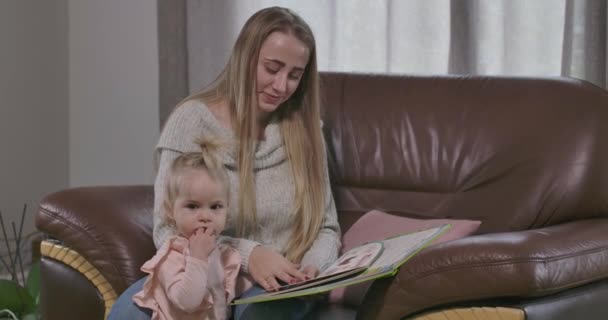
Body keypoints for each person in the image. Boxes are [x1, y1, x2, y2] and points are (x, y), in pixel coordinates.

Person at [109, 6, 340, 320]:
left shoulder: (307, 132)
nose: (281, 86)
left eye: (294, 75)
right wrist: (248, 255)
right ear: (245, 58)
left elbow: (326, 228)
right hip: (199, 269)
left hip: (278, 282)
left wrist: (315, 269)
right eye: (272, 68)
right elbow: (166, 229)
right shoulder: (191, 122)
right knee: (127, 316)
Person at [132, 138, 240, 320]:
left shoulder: (221, 253)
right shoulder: (171, 257)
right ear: (170, 210)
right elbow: (187, 303)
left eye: (215, 207)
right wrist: (198, 258)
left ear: (227, 210)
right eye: (192, 206)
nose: (205, 216)